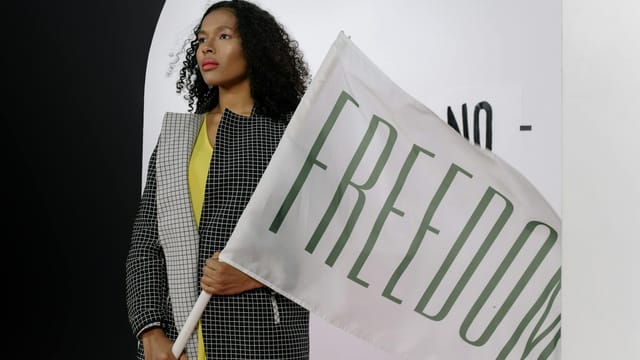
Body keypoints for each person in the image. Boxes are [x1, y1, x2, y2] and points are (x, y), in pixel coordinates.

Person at [125, 1, 311, 359]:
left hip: (262, 341)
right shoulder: (178, 138)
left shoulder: (292, 133)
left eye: (223, 36)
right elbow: (146, 244)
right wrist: (149, 330)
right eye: (200, 40)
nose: (206, 48)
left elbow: (326, 237)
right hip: (179, 343)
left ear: (256, 47)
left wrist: (257, 274)